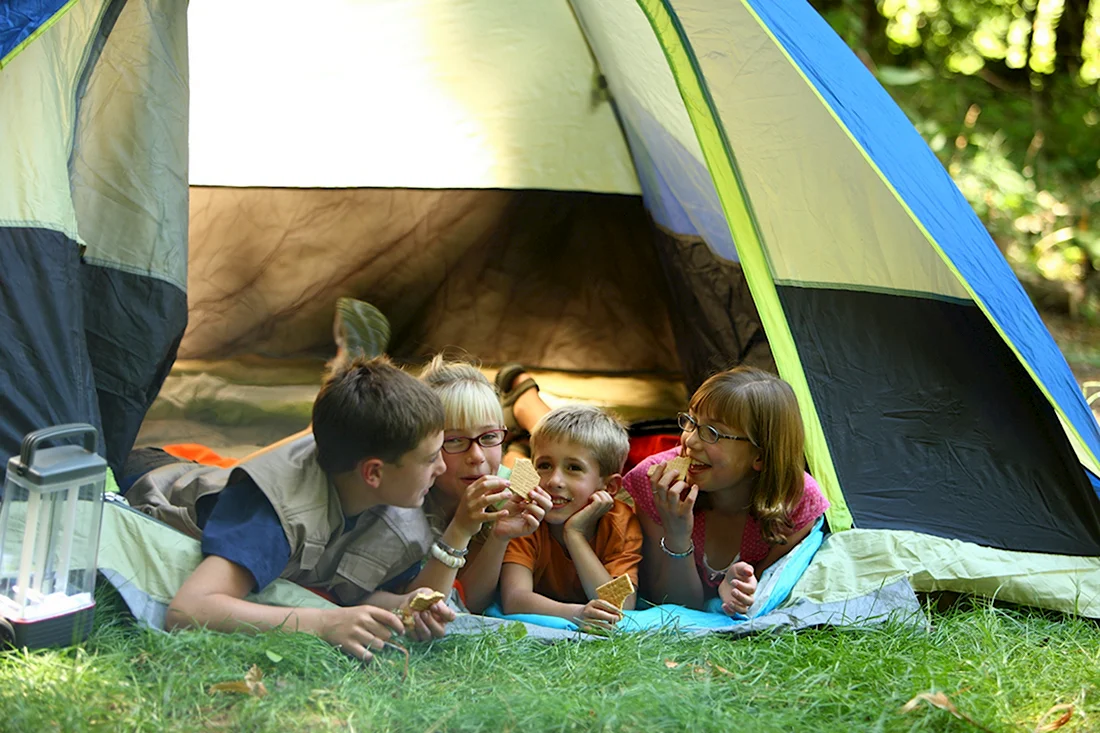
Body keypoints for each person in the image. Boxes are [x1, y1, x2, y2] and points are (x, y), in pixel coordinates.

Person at [126, 356, 456, 661]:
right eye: (430, 459)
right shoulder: (273, 512)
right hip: (145, 474)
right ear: (373, 473)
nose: (441, 468)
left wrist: (400, 607)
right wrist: (324, 624)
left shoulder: (386, 502)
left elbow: (348, 593)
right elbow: (189, 610)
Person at [623, 366, 829, 615]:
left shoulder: (796, 500)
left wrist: (744, 591)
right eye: (690, 422)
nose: (689, 441)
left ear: (760, 455)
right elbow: (669, 604)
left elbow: (761, 594)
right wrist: (677, 534)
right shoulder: (654, 482)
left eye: (712, 433)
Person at [408, 355, 553, 612]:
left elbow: (470, 604)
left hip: (508, 468)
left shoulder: (506, 497)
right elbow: (423, 608)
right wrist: (460, 529)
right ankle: (520, 408)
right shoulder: (403, 500)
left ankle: (522, 408)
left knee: (559, 445)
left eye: (488, 436)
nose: (475, 456)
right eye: (454, 440)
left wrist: (499, 537)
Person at [499, 405, 642, 626]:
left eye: (574, 468)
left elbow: (621, 605)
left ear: (610, 486)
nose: (554, 480)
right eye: (544, 465)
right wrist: (577, 613)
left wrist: (574, 534)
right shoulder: (526, 517)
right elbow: (513, 599)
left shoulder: (621, 523)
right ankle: (515, 450)